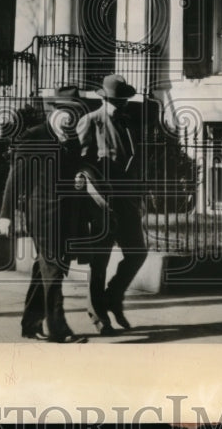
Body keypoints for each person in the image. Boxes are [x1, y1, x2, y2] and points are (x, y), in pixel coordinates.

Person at [0, 85, 95, 343]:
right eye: (66, 111)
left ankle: (30, 324)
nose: (70, 118)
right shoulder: (35, 136)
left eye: (75, 112)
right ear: (55, 110)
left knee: (46, 269)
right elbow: (14, 177)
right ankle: (58, 329)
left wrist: (78, 179)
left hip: (65, 216)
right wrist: (5, 215)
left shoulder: (71, 138)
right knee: (52, 269)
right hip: (42, 216)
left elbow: (75, 169)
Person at [75, 73, 147, 335]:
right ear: (105, 100)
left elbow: (134, 159)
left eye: (125, 99)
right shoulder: (91, 122)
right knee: (100, 261)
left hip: (127, 201)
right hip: (101, 203)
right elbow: (80, 164)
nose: (123, 104)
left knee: (138, 252)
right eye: (118, 100)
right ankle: (98, 314)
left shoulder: (128, 122)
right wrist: (94, 191)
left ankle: (113, 298)